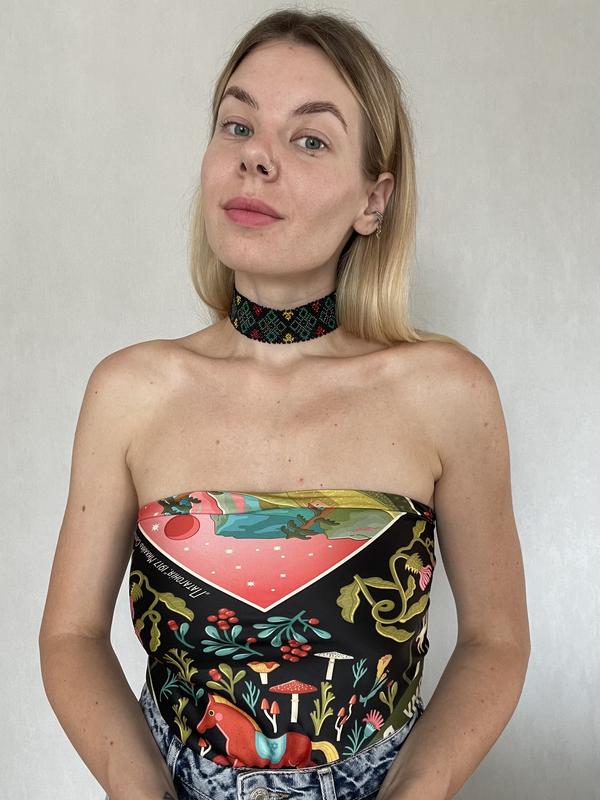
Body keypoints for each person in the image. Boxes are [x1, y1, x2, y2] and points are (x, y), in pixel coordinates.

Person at [38, 8, 530, 800]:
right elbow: (69, 635)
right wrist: (141, 787)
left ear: (374, 200)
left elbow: (496, 640)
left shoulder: (449, 395)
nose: (256, 157)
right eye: (237, 125)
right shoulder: (128, 393)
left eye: (309, 139)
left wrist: (417, 789)